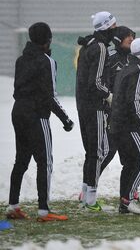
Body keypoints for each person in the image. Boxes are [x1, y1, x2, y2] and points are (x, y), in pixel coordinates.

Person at [7, 22, 73, 221]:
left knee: (21, 160)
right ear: (48, 40)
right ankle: (44, 210)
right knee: (45, 162)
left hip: (18, 111)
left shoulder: (21, 60)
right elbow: (49, 95)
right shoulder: (47, 61)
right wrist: (66, 119)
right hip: (37, 115)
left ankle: (13, 206)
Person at [75, 11, 117, 211]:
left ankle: (85, 194)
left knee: (91, 152)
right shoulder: (100, 47)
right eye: (114, 26)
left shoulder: (88, 45)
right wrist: (110, 96)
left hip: (83, 105)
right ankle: (90, 199)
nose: (116, 29)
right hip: (95, 106)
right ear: (107, 27)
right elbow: (97, 82)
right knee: (99, 151)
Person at [111, 38, 140, 214]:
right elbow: (133, 99)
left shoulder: (126, 68)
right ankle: (128, 199)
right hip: (128, 124)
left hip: (117, 123)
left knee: (129, 163)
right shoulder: (138, 71)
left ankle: (124, 202)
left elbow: (125, 95)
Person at [100, 26, 136, 175]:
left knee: (132, 154)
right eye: (128, 37)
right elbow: (101, 82)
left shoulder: (133, 58)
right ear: (118, 39)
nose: (131, 39)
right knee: (108, 151)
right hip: (111, 113)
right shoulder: (110, 57)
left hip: (129, 115)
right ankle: (89, 185)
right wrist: (110, 99)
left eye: (133, 37)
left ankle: (129, 190)